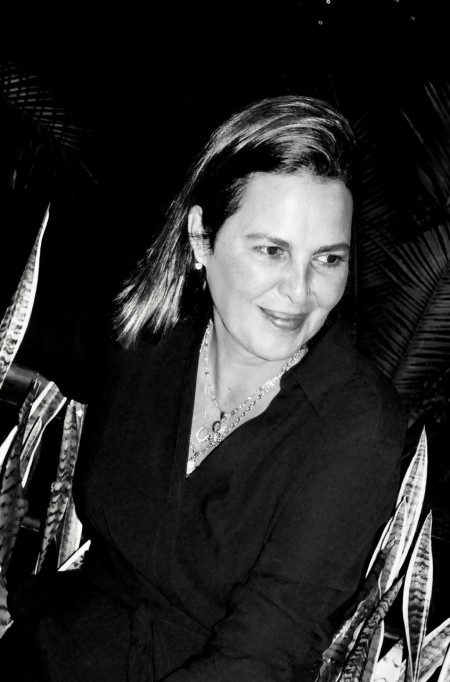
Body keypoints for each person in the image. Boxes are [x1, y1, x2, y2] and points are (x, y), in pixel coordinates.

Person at [1, 95, 405, 681]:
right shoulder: (149, 341)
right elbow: (26, 335)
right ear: (200, 239)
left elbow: (261, 656)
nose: (300, 291)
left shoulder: (355, 426)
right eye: (272, 250)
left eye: (328, 259)